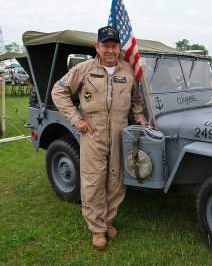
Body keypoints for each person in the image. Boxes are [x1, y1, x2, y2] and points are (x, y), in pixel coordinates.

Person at [52, 25, 147, 251]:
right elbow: (59, 90)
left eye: (114, 46)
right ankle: (97, 230)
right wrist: (76, 119)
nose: (111, 50)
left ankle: (107, 222)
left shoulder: (128, 71)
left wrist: (140, 117)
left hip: (119, 130)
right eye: (106, 45)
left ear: (119, 48)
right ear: (98, 46)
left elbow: (136, 100)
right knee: (93, 180)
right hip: (92, 132)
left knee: (116, 180)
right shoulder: (84, 69)